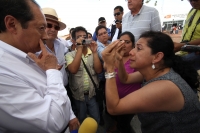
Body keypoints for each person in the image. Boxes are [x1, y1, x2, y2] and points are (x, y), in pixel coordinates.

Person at [0, 0, 79, 133]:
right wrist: (52, 71)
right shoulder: (2, 73)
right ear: (12, 25)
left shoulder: (30, 51)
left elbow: (52, 90)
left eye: (55, 27)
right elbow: (53, 122)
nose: (46, 35)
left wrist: (70, 114)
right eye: (42, 28)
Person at [102, 31, 200, 133]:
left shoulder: (166, 87)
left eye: (139, 48)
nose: (131, 52)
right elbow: (125, 79)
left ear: (157, 57)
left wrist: (110, 67)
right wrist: (120, 60)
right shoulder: (156, 72)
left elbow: (113, 108)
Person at [65, 26, 102, 124]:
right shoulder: (70, 55)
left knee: (95, 118)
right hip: (78, 96)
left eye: (84, 36)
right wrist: (79, 49)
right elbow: (73, 70)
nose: (82, 39)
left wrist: (94, 52)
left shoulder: (93, 53)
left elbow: (98, 70)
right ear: (73, 41)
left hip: (92, 95)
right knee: (81, 119)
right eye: (79, 37)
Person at [109, 31, 141, 133]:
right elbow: (106, 67)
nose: (123, 44)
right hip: (115, 98)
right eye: (121, 41)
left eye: (127, 42)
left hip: (129, 101)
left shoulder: (136, 58)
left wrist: (119, 60)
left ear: (133, 44)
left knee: (125, 125)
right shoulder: (115, 56)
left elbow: (125, 78)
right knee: (118, 118)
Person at [42, 7, 68, 86]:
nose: (53, 29)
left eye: (56, 27)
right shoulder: (34, 50)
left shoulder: (61, 45)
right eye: (49, 25)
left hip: (64, 88)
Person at [174, 0, 200, 70]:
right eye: (190, 1)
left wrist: (183, 45)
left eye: (196, 0)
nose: (193, 2)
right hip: (186, 50)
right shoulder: (192, 10)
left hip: (197, 53)